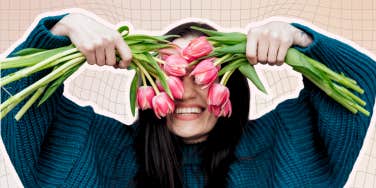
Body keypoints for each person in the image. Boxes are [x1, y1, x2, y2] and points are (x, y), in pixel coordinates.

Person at [1, 11, 375, 188]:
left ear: (230, 85)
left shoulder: (282, 146)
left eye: (203, 73)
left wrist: (300, 41)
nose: (186, 90)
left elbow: (357, 85)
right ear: (150, 84)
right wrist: (65, 29)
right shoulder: (100, 150)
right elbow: (12, 96)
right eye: (171, 73)